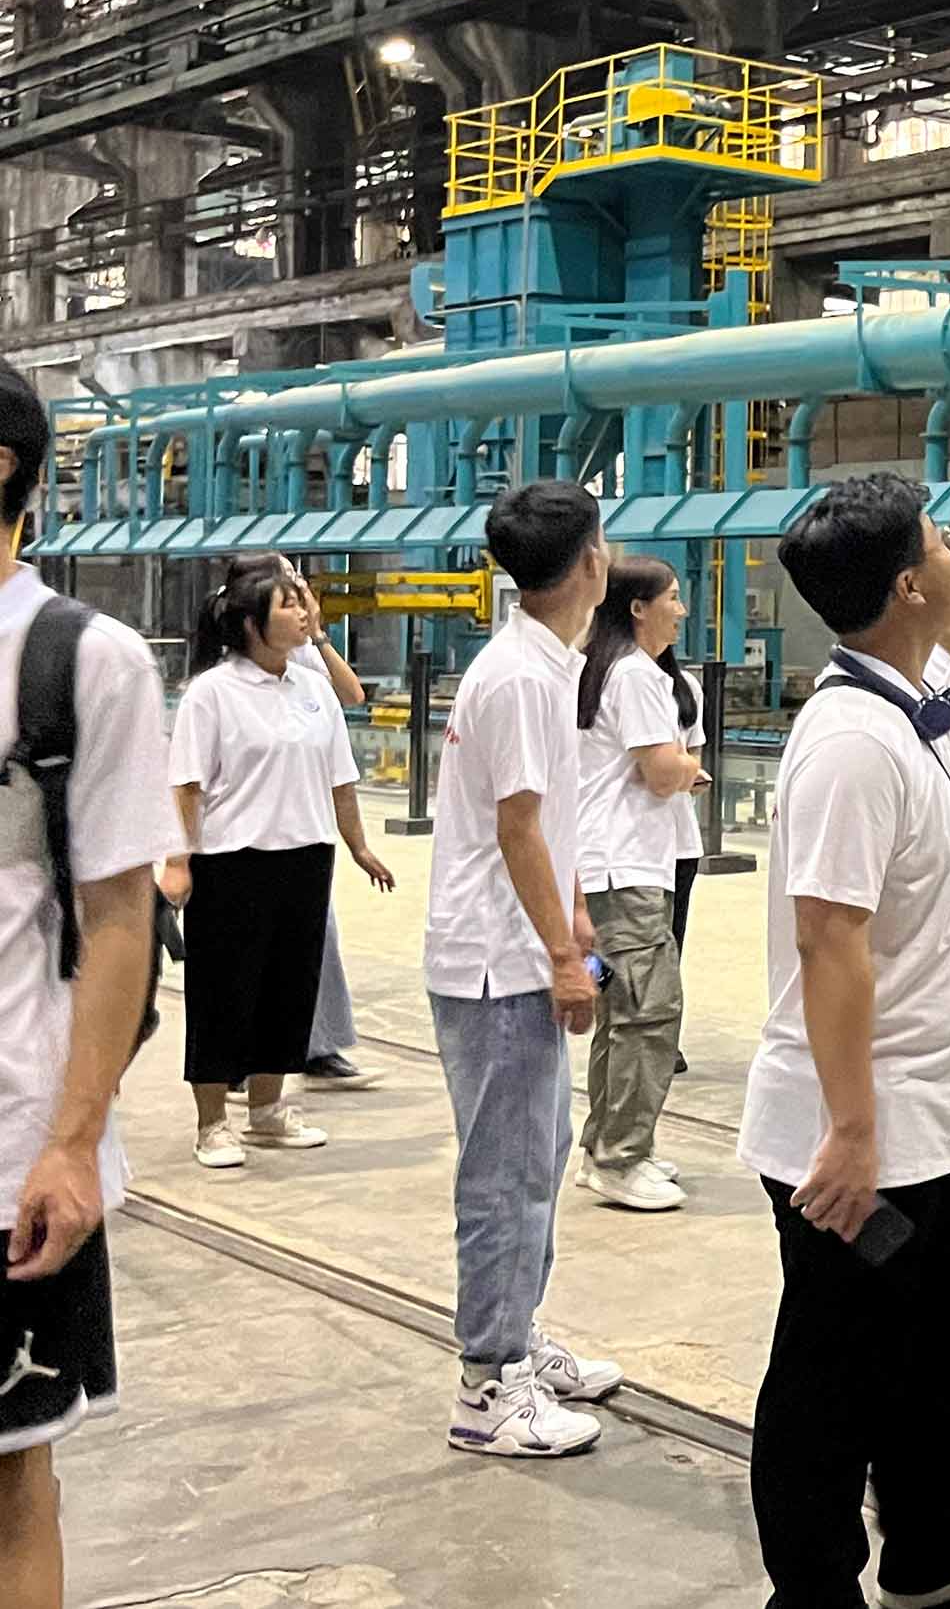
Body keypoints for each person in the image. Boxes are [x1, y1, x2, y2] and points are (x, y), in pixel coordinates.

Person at [741, 474, 950, 1608]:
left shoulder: (912, 710)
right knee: (834, 1374)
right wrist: (850, 1132)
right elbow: (829, 939)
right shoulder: (849, 744)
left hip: (939, 1118)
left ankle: (932, 1550)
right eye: (939, 539)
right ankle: (813, 1594)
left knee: (947, 1341)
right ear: (908, 585)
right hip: (860, 1140)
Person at [0, 359, 174, 1609]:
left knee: (12, 1482)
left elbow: (119, 920)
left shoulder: (79, 660)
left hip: (7, 1146)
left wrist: (72, 1144)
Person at [421, 479, 623, 1459]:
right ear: (589, 561)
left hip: (512, 953)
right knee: (505, 1176)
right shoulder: (523, 677)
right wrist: (562, 957)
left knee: (539, 1156)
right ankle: (488, 1384)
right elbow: (517, 829)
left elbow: (544, 821)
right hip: (497, 966)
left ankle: (515, 1336)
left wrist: (574, 918)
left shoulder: (540, 663)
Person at [160, 557, 396, 1170]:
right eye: (289, 604)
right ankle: (212, 1122)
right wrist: (178, 861)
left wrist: (358, 846)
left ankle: (267, 1111)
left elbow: (341, 778)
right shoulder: (212, 693)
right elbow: (187, 785)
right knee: (222, 993)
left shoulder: (314, 689)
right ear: (250, 624)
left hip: (306, 857)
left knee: (288, 989)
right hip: (230, 862)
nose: (304, 612)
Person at [572, 556, 704, 1213]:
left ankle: (605, 1145)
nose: (681, 610)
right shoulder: (637, 675)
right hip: (625, 870)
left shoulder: (605, 669)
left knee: (621, 1013)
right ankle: (621, 1157)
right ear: (638, 608)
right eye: (672, 598)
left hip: (608, 866)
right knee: (650, 1012)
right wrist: (686, 769)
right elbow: (660, 771)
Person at [291, 573, 382, 1093]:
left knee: (319, 939)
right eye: (288, 599)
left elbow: (351, 694)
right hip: (243, 840)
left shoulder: (308, 670)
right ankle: (237, 1066)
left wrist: (319, 635)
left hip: (306, 834)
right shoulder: (221, 683)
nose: (301, 608)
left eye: (301, 598)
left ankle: (318, 1047)